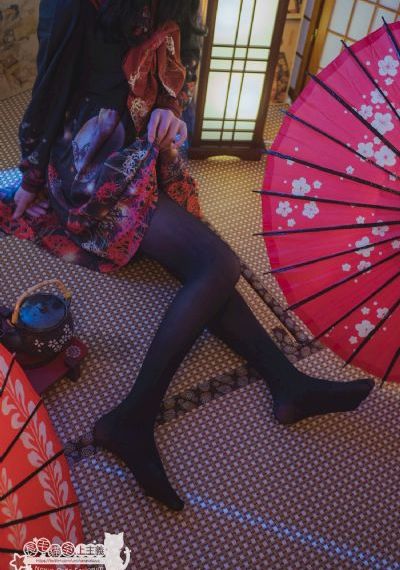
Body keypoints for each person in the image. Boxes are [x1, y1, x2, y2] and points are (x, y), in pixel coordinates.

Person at [0, 0, 374, 512]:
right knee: (219, 264)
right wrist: (32, 176)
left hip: (142, 141)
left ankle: (288, 386)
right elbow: (48, 87)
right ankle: (132, 417)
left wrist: (171, 109)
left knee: (206, 266)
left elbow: (187, 45)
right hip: (87, 155)